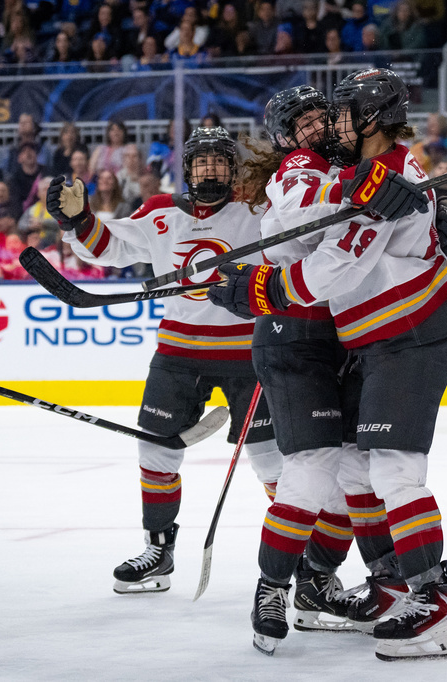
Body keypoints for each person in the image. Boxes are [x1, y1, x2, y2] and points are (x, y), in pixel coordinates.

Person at [209, 68, 447, 661]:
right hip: (343, 338)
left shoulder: (378, 173)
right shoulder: (336, 173)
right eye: (309, 121)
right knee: (344, 473)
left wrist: (430, 214)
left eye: (337, 114)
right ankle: (352, 587)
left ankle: (424, 601)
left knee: (384, 473)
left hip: (403, 335)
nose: (327, 124)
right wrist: (363, 196)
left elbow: (336, 269)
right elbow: (306, 215)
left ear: (369, 119)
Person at [47, 127, 283, 595]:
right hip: (177, 354)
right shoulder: (160, 214)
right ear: (188, 169)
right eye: (201, 162)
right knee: (155, 450)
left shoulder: (260, 210)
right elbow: (110, 247)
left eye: (219, 161)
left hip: (248, 352)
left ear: (233, 168)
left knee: (271, 461)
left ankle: (297, 553)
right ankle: (158, 550)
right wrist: (77, 222)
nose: (210, 169)